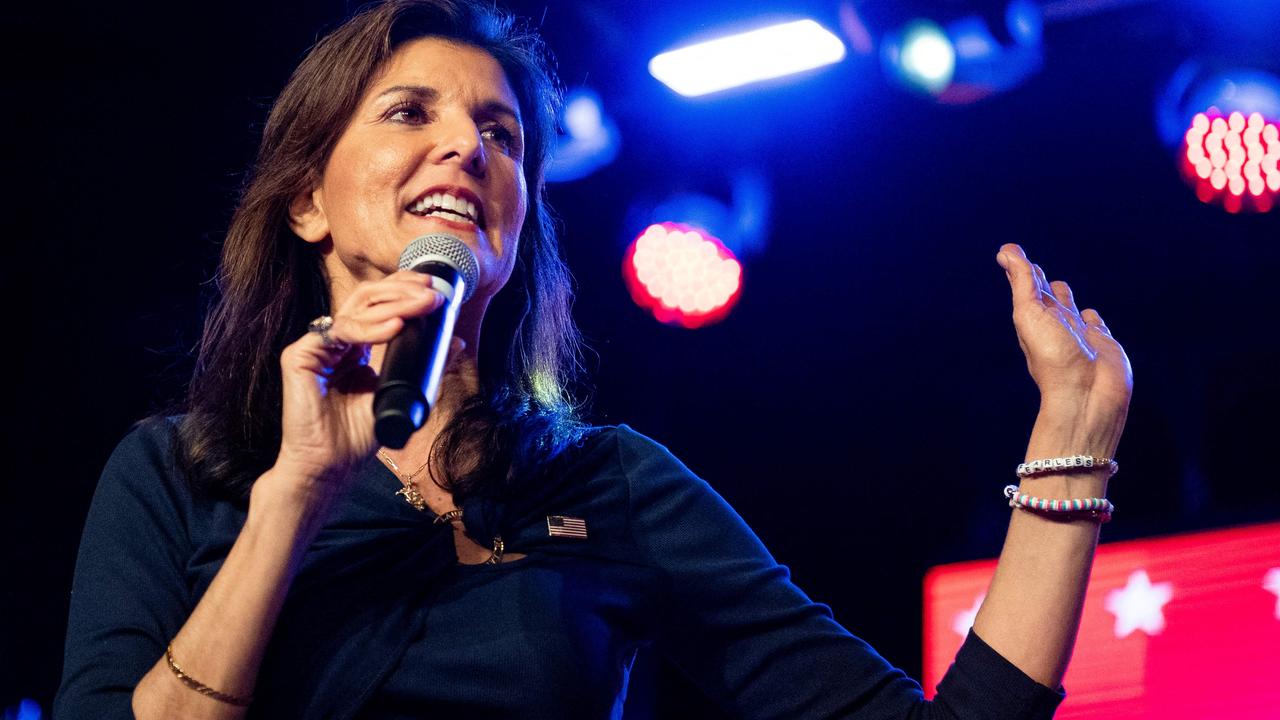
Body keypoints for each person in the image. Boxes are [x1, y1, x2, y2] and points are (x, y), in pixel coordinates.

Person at [54, 0, 1133, 718]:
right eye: (407, 112)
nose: (467, 147)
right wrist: (293, 500)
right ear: (303, 201)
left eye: (502, 133)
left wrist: (1067, 450)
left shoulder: (610, 483)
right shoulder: (175, 476)